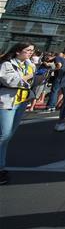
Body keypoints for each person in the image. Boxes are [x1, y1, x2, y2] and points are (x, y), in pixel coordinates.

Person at [0, 42, 35, 184]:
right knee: (4, 135)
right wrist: (28, 76)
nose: (30, 53)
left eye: (32, 51)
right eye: (27, 50)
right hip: (6, 101)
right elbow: (10, 81)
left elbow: (31, 81)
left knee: (8, 136)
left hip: (21, 102)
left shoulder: (28, 65)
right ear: (17, 51)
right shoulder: (7, 64)